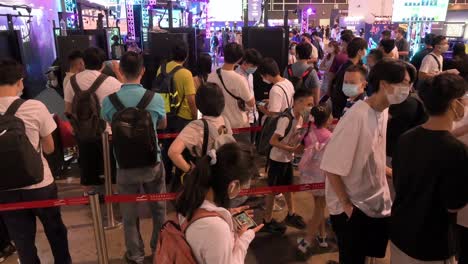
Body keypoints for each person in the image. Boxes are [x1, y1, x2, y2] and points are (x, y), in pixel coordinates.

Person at [321, 59, 413, 263]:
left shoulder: (383, 110)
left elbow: (371, 153)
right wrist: (346, 205)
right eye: (405, 83)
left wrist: (388, 171)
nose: (409, 89)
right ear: (384, 84)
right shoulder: (356, 117)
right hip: (353, 207)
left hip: (373, 202)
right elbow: (330, 166)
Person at [390, 73, 468, 264]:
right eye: (464, 99)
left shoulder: (406, 137)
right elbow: (454, 204)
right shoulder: (456, 150)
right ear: (454, 103)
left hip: (400, 232)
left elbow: (398, 181)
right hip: (432, 241)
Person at [0, 59, 72, 264]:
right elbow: (49, 148)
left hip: (5, 188)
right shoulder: (35, 107)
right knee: (55, 232)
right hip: (39, 183)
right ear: (20, 82)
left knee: (23, 241)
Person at [100, 52, 167, 264]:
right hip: (152, 163)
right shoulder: (154, 98)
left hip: (124, 165)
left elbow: (107, 121)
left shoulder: (109, 101)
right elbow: (162, 124)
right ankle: (158, 250)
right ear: (143, 71)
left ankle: (136, 255)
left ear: (120, 71)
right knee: (159, 210)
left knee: (129, 216)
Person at [175, 143, 263, 264]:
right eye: (242, 186)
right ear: (233, 186)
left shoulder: (191, 195)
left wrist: (225, 214)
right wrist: (244, 239)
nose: (241, 191)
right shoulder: (217, 229)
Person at [64, 47, 121, 193]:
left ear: (84, 62)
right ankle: (113, 195)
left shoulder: (72, 82)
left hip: (83, 133)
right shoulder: (112, 82)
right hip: (107, 132)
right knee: (111, 167)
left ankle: (90, 195)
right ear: (102, 64)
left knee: (88, 166)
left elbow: (68, 110)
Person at [260, 88, 314, 234]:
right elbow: (273, 141)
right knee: (273, 190)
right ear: (298, 102)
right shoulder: (285, 119)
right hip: (277, 159)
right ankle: (267, 220)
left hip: (286, 159)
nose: (310, 108)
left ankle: (291, 214)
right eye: (309, 104)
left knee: (288, 187)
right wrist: (291, 150)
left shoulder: (301, 117)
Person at [157, 42, 197, 185]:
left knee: (167, 147)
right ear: (186, 56)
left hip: (166, 114)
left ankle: (166, 177)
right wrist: (194, 116)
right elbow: (191, 99)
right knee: (182, 150)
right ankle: (180, 179)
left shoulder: (161, 69)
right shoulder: (186, 73)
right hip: (183, 117)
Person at [168, 82, 229, 176]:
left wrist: (191, 171)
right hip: (223, 173)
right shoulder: (225, 120)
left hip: (204, 175)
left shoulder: (196, 126)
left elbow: (173, 152)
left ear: (199, 103)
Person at [296, 104, 334, 256]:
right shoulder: (330, 136)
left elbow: (299, 150)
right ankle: (308, 240)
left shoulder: (309, 133)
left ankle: (322, 236)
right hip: (323, 176)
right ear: (327, 119)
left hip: (309, 175)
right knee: (320, 208)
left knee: (318, 205)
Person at [207, 42, 255, 143]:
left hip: (218, 125)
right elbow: (251, 103)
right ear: (239, 59)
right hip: (238, 124)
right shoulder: (239, 79)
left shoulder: (211, 76)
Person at [329, 37, 367, 118]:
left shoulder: (351, 65)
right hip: (343, 107)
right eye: (365, 49)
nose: (366, 52)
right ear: (360, 51)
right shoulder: (351, 70)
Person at [236, 48, 263, 143]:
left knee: (252, 144)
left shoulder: (250, 75)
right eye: (253, 65)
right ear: (245, 62)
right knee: (244, 146)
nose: (255, 68)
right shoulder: (237, 76)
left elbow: (251, 92)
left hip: (254, 116)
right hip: (244, 119)